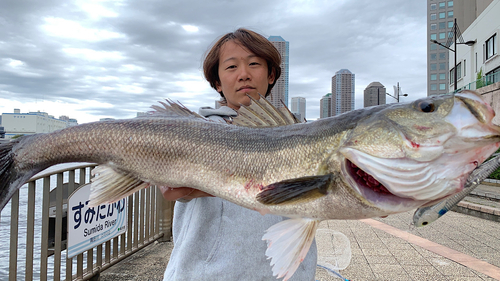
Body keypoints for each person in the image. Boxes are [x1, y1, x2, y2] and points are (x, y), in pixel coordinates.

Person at [161, 28, 317, 280]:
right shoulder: (196, 131)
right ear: (217, 82)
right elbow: (170, 189)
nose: (244, 74)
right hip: (205, 274)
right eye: (231, 67)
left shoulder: (301, 132)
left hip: (289, 274)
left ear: (271, 75)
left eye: (254, 64)